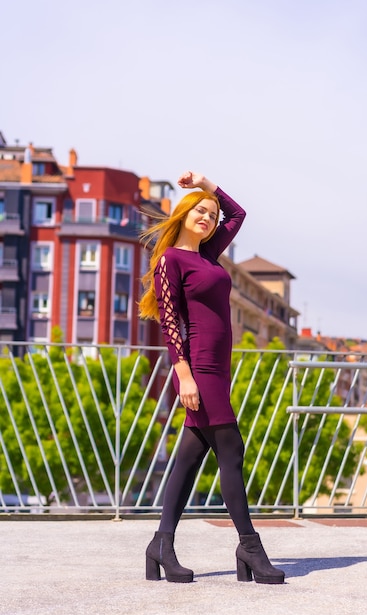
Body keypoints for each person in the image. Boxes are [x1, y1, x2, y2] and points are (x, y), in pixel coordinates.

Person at [139, 171, 285, 585]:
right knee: (232, 451)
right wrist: (183, 375)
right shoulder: (171, 260)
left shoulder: (208, 254)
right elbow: (169, 323)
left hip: (219, 369)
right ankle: (250, 548)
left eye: (211, 213)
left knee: (188, 459)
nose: (208, 217)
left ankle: (161, 544)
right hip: (198, 368)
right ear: (184, 214)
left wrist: (207, 182)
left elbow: (238, 213)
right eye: (201, 210)